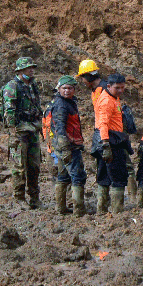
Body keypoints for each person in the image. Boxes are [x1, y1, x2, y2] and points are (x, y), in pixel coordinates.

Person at [77, 58, 139, 200]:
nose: (82, 82)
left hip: (112, 133)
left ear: (88, 77)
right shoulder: (98, 90)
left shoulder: (105, 91)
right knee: (106, 169)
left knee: (124, 165)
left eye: (82, 78)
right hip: (106, 132)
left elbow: (107, 117)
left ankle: (133, 196)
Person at [1, 57, 44, 208]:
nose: (31, 70)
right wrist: (13, 132)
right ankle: (19, 198)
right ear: (20, 71)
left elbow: (37, 106)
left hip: (33, 129)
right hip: (19, 131)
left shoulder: (32, 86)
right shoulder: (12, 86)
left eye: (32, 67)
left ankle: (34, 197)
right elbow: (9, 110)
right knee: (19, 167)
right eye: (28, 68)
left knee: (34, 165)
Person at [91, 73, 132, 214]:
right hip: (110, 140)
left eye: (122, 88)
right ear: (108, 86)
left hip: (109, 138)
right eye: (117, 88)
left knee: (103, 175)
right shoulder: (106, 101)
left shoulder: (113, 97)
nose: (120, 90)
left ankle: (101, 210)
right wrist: (106, 144)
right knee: (118, 176)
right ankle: (117, 211)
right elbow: (103, 124)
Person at [50, 75, 87, 216]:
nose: (67, 91)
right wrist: (65, 149)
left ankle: (60, 208)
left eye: (70, 88)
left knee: (63, 176)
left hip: (66, 146)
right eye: (64, 88)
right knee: (78, 177)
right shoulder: (61, 105)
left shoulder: (69, 102)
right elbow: (59, 128)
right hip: (68, 146)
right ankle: (79, 210)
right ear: (58, 89)